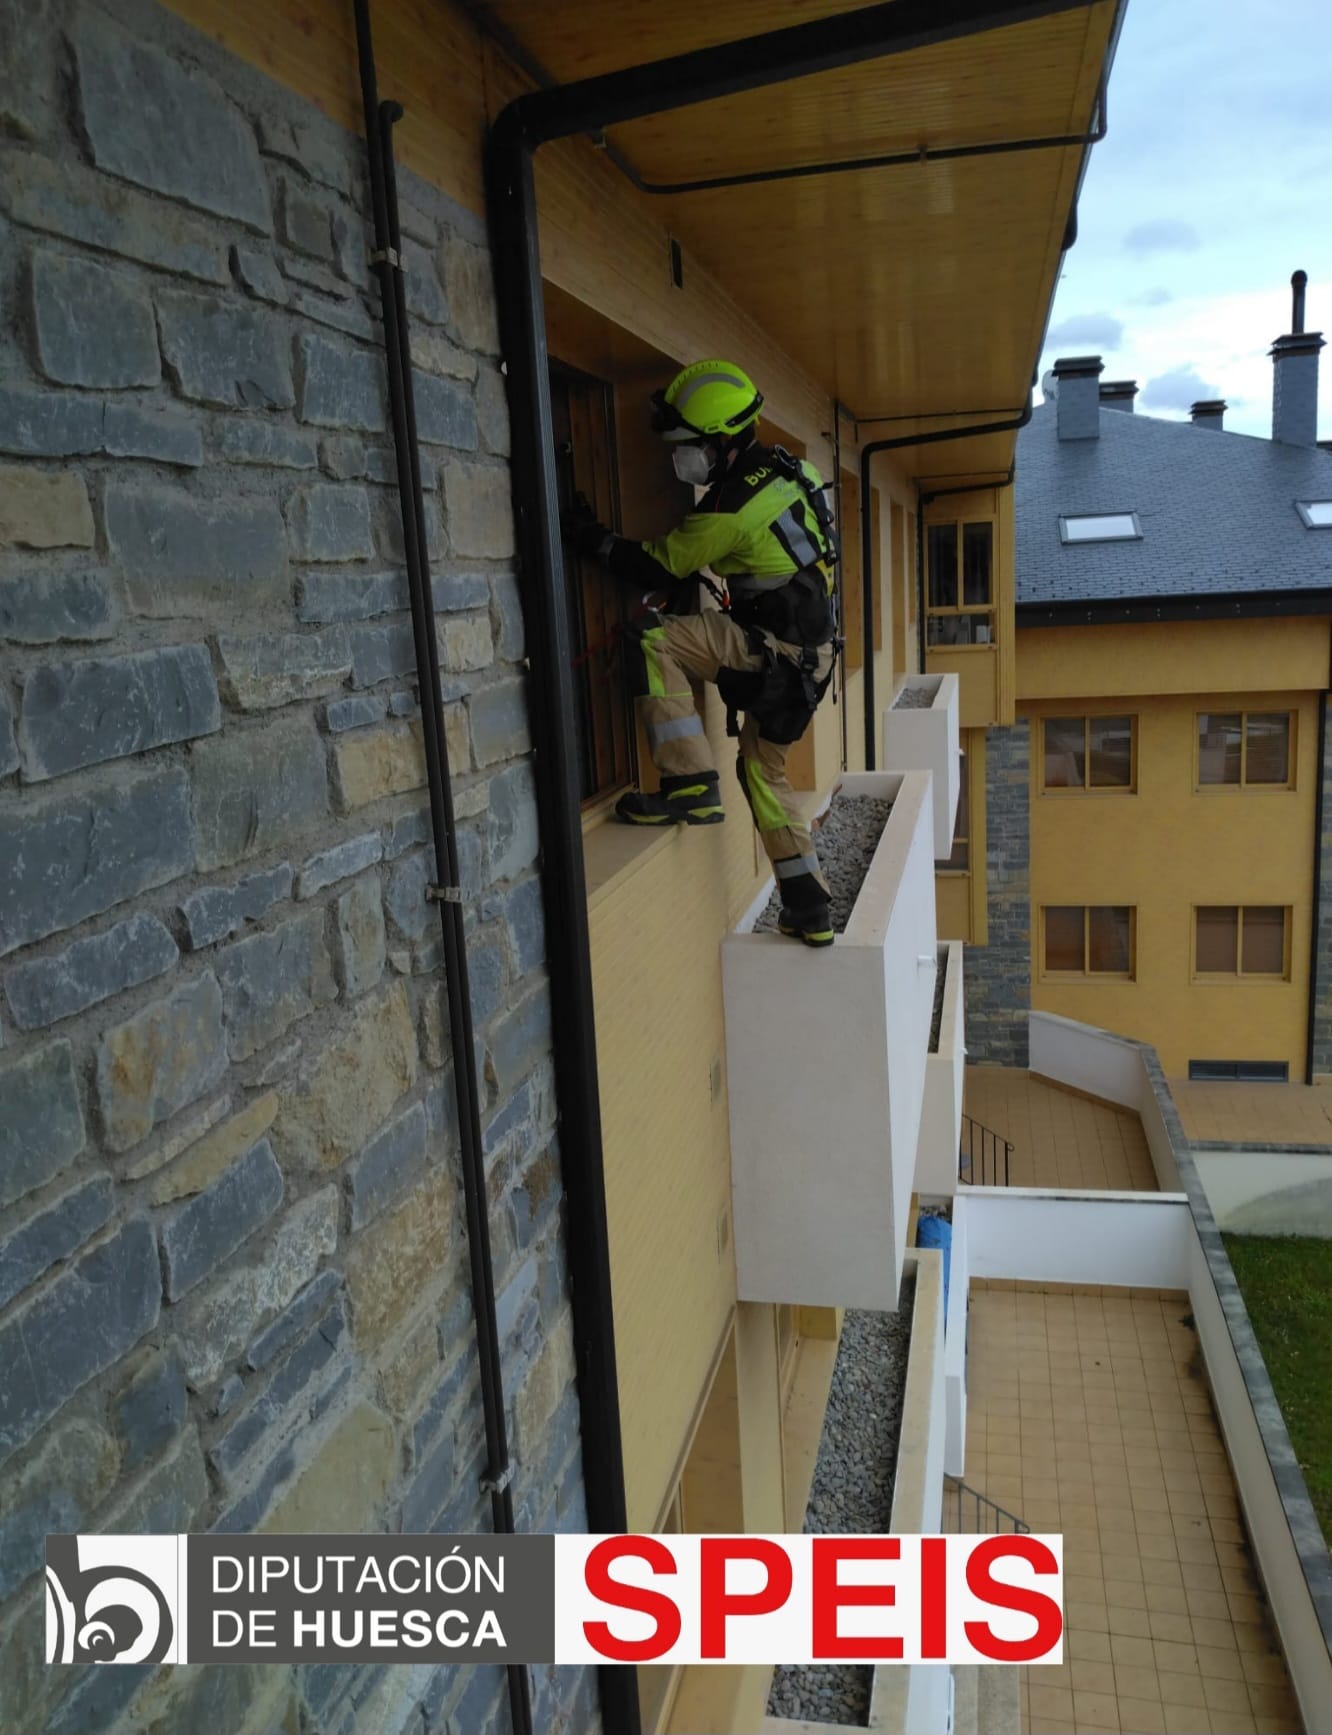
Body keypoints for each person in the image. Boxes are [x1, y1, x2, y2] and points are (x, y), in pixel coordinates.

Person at [566, 359, 840, 947]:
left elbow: (655, 564)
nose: (680, 457)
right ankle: (809, 908)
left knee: (653, 637)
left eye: (688, 445)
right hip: (812, 657)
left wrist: (591, 537)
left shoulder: (730, 508)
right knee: (761, 768)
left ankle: (688, 786)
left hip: (774, 653)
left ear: (719, 441)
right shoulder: (798, 471)